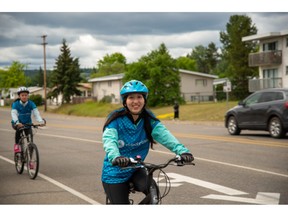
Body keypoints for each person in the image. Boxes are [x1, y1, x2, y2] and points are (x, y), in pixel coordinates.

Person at [101, 80, 194, 204]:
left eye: (139, 97)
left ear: (144, 99)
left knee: (154, 192)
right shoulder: (116, 118)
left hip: (136, 169)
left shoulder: (148, 118)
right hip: (115, 172)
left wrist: (183, 151)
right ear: (125, 101)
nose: (135, 101)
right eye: (131, 98)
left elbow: (165, 135)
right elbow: (109, 140)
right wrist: (116, 157)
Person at [11, 87, 45, 153]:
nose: (24, 97)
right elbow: (14, 114)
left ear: (28, 96)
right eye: (22, 95)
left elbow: (36, 113)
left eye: (26, 95)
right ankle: (17, 145)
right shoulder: (15, 104)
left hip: (27, 124)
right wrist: (17, 122)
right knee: (19, 129)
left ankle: (30, 160)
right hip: (17, 123)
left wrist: (41, 121)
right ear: (19, 96)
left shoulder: (31, 103)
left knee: (30, 143)